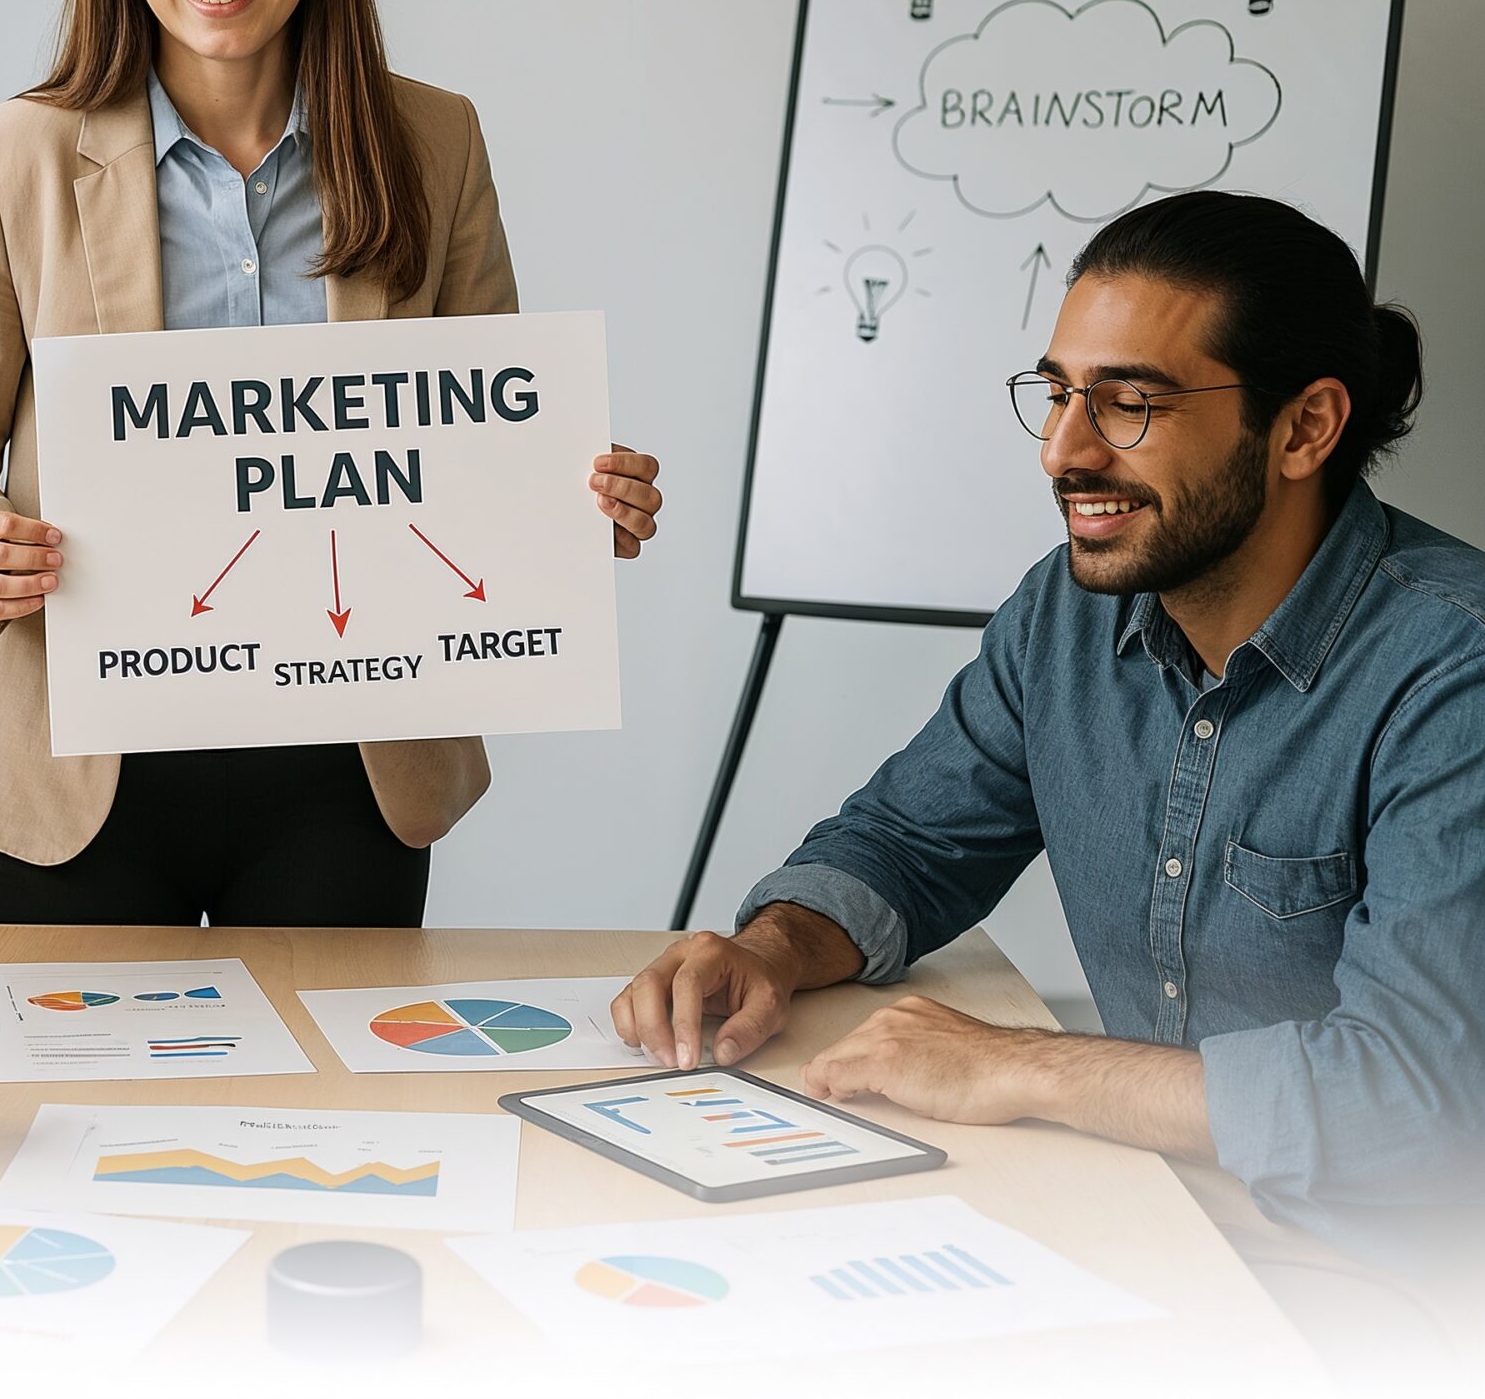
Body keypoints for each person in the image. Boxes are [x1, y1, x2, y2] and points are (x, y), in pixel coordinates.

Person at [0, 0, 664, 926]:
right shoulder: (12, 154)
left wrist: (573, 504)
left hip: (345, 772)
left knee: (332, 1062)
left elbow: (481, 437)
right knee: (55, 1064)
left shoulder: (435, 142)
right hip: (71, 764)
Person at [613, 191, 1483, 1255]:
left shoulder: (1455, 673)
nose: (1062, 451)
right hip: (1148, 1219)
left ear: (1304, 427)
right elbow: (909, 842)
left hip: (1391, 1281)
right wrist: (773, 948)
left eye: (1129, 404)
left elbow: (1414, 1101)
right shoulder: (1067, 613)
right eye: (1060, 393)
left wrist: (1022, 1063)